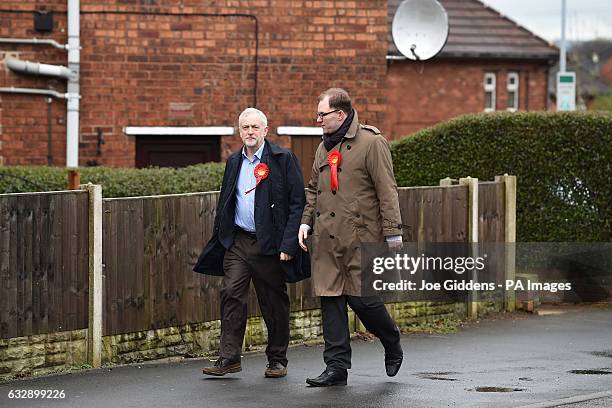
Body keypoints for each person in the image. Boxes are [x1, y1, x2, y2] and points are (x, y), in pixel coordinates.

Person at [298, 88, 404, 387]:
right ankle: (336, 368)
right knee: (331, 303)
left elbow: (387, 190)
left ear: (340, 114)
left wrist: (393, 232)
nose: (318, 119)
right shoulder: (322, 148)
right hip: (327, 240)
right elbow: (312, 190)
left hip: (361, 238)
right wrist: (305, 223)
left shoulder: (372, 143)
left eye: (323, 114)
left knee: (363, 301)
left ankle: (391, 339)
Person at [193, 107, 308, 378]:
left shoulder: (282, 159)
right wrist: (223, 235)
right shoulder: (234, 162)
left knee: (273, 302)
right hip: (239, 242)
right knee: (231, 293)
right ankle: (229, 357)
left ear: (265, 131)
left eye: (255, 127)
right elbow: (227, 200)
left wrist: (288, 244)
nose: (250, 132)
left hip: (270, 244)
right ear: (239, 130)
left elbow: (296, 204)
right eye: (245, 127)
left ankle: (277, 359)